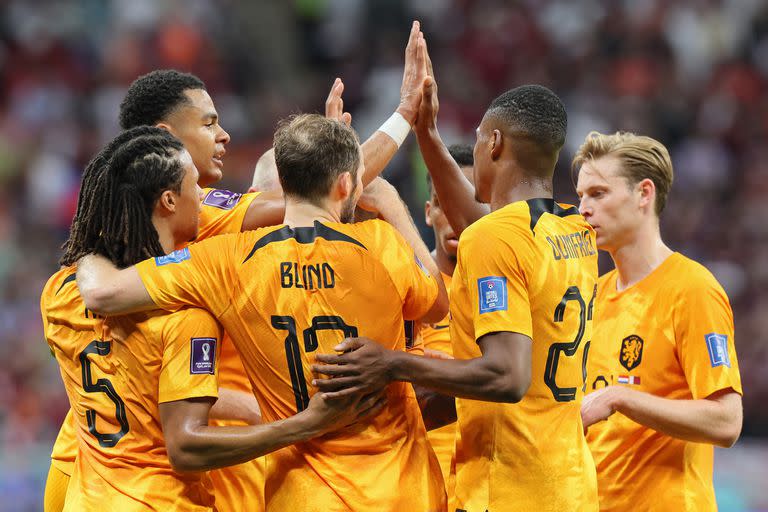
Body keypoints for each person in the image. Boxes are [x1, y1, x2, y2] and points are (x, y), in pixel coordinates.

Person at [45, 20, 430, 511]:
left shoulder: (71, 277)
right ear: (169, 144)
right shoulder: (204, 220)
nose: (224, 135)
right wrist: (400, 118)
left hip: (82, 471)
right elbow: (316, 196)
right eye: (208, 123)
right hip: (186, 471)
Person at [311, 52, 600, 510]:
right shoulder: (575, 229)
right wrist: (425, 133)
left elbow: (506, 376)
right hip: (570, 485)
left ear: (495, 143)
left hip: (506, 488)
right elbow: (482, 222)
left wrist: (392, 363)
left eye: (480, 139)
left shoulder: (493, 237)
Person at [43, 126, 380, 511]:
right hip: (162, 502)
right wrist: (307, 424)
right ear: (169, 201)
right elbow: (185, 446)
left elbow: (128, 375)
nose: (204, 197)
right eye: (194, 187)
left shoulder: (58, 293)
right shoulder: (187, 317)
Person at [574, 131, 743, 511]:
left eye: (598, 194)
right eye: (581, 195)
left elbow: (727, 422)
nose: (583, 208)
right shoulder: (591, 295)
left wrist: (620, 397)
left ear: (644, 194)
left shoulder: (692, 288)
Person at [420, 144, 474, 494]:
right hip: (421, 481)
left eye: (465, 201)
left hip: (487, 479)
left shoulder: (507, 289)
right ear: (429, 211)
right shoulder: (404, 285)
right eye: (443, 202)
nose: (455, 214)